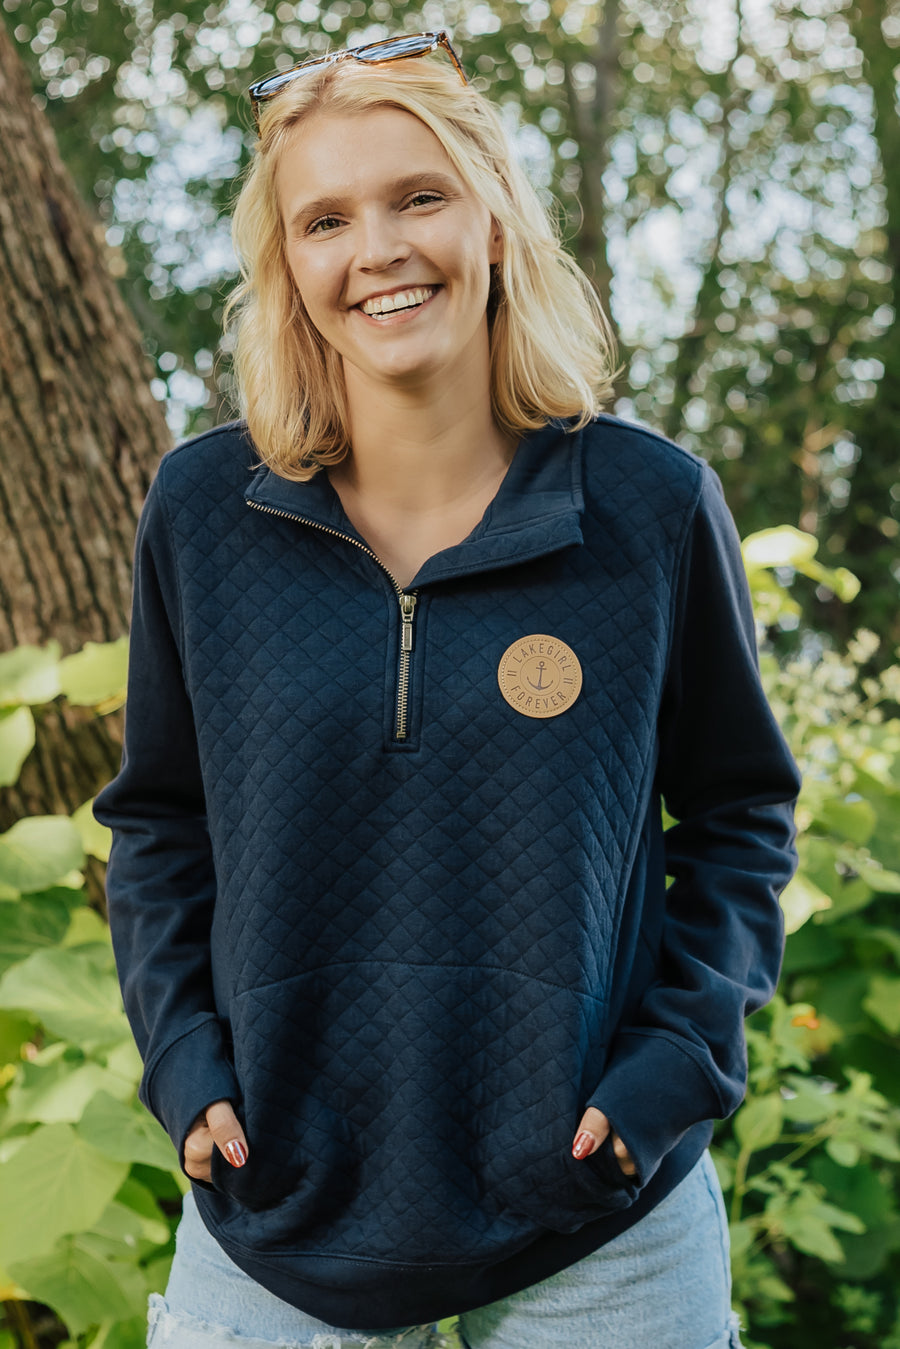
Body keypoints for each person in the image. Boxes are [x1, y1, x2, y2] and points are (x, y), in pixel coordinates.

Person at [94, 30, 801, 1349]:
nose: (377, 249)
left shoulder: (650, 506)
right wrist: (184, 1062)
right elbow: (159, 821)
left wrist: (675, 1068)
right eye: (326, 219)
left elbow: (742, 813)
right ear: (287, 263)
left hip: (601, 1215)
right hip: (274, 1206)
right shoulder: (202, 510)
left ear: (494, 222)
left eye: (418, 197)